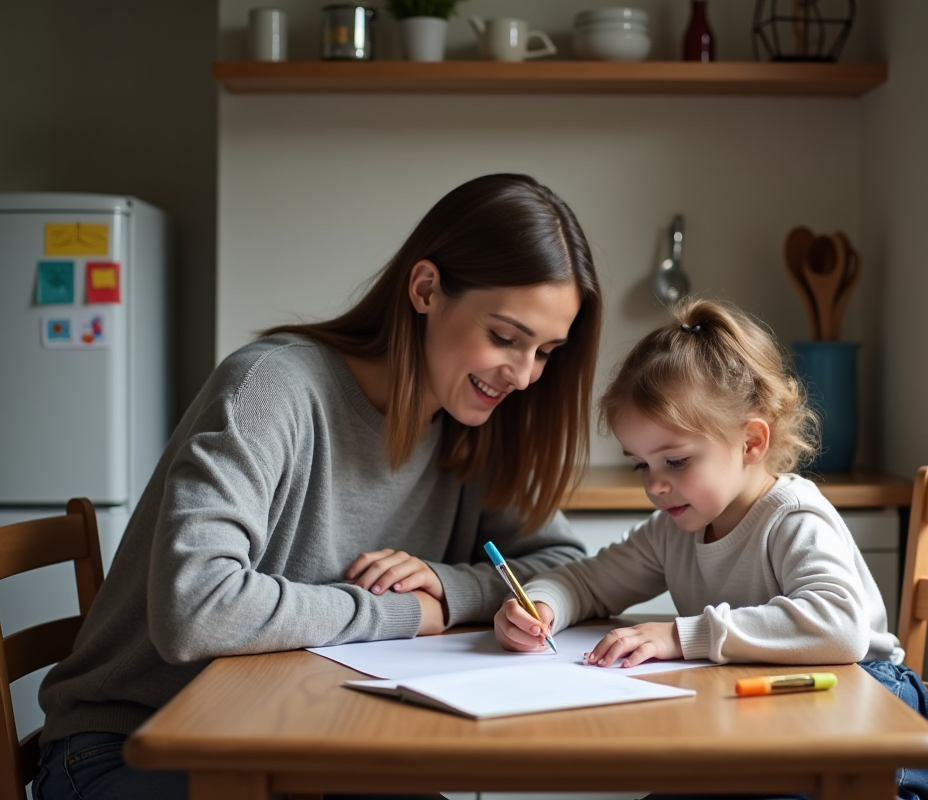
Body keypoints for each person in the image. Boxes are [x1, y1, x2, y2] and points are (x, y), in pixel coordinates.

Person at [34, 173, 603, 800]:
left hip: (306, 739)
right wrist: (406, 613)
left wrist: (449, 588)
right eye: (504, 337)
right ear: (426, 289)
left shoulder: (474, 425)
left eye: (546, 352)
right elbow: (196, 610)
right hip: (130, 747)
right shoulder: (272, 389)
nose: (523, 376)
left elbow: (563, 565)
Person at [494, 298, 928, 800]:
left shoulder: (792, 516)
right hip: (772, 723)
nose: (657, 487)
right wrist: (541, 605)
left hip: (866, 725)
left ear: (751, 443)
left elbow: (840, 628)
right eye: (642, 465)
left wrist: (684, 637)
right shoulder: (675, 528)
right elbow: (586, 580)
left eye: (677, 461)